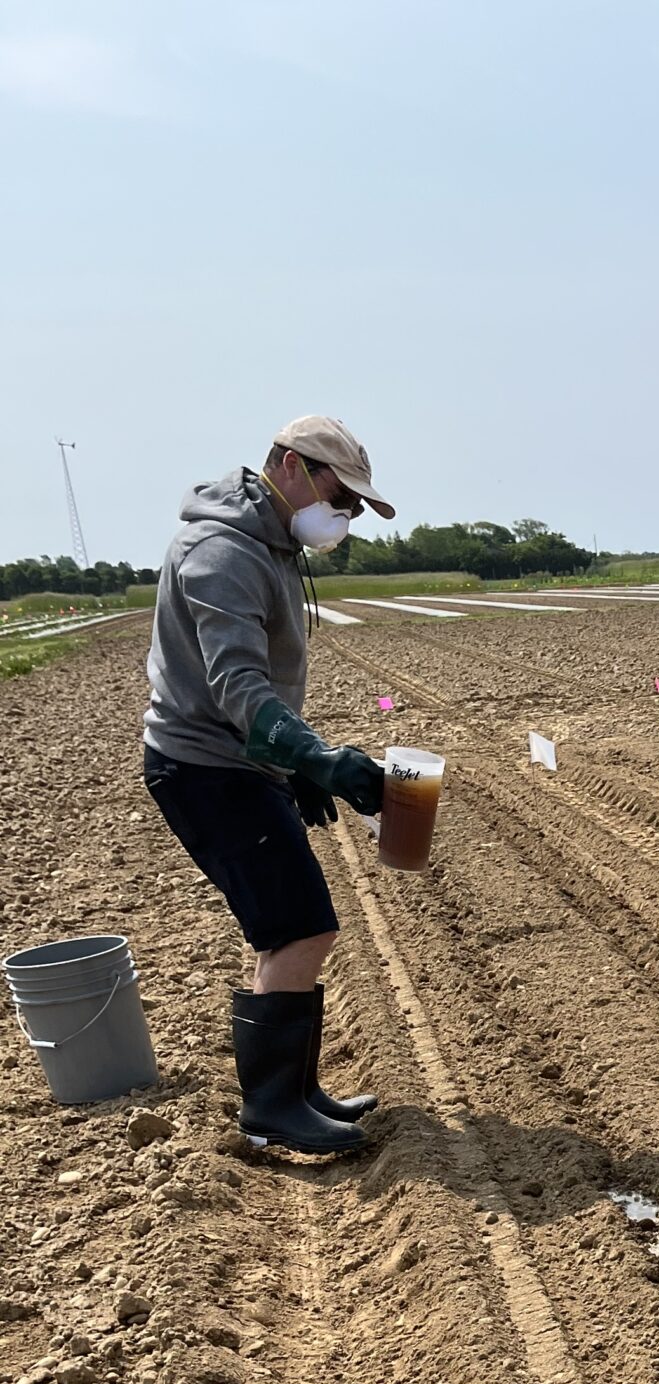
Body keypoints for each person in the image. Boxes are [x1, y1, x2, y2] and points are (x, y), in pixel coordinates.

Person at [144, 416, 395, 1154]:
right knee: (298, 925)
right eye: (337, 494)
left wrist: (291, 764)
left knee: (287, 924)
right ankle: (271, 1109)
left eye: (352, 505)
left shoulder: (273, 542)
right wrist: (318, 760)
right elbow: (237, 686)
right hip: (206, 767)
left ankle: (296, 1090)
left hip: (241, 763)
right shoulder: (221, 551)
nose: (342, 515)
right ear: (289, 466)